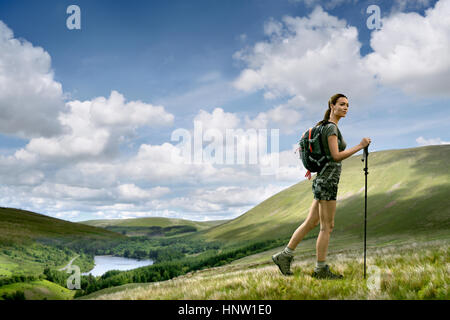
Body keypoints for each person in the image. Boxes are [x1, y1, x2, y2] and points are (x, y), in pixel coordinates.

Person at [272, 93, 371, 279]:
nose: (345, 108)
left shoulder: (322, 127)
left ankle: (284, 256)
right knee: (327, 227)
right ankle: (321, 269)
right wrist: (360, 145)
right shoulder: (331, 129)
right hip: (328, 182)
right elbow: (336, 156)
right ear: (332, 106)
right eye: (342, 104)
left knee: (311, 222)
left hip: (322, 180)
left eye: (348, 105)